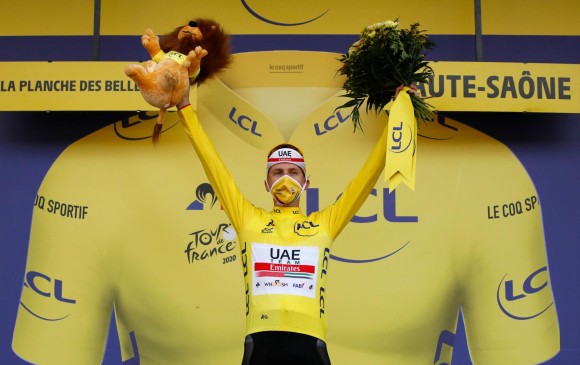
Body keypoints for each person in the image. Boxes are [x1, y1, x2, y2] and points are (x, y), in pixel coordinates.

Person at [176, 81, 389, 364]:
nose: (285, 179)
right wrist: (184, 107)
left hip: (311, 341)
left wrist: (399, 116)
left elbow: (368, 176)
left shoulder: (324, 224)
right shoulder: (248, 219)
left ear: (306, 182)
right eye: (277, 172)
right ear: (266, 183)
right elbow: (213, 164)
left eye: (293, 172)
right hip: (261, 340)